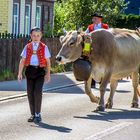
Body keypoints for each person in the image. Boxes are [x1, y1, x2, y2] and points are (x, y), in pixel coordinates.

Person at [18, 27, 51, 123]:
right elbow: (22, 60)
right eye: (34, 35)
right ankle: (32, 114)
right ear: (31, 36)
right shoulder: (27, 46)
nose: (36, 37)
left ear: (41, 36)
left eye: (38, 35)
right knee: (30, 93)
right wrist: (19, 73)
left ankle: (38, 114)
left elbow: (48, 62)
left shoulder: (44, 47)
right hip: (30, 71)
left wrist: (48, 73)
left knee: (37, 92)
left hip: (40, 71)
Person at [85, 13, 109, 88]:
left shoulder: (105, 26)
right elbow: (85, 35)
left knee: (102, 65)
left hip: (102, 49)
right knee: (92, 65)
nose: (93, 20)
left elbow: (109, 37)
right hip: (93, 49)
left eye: (95, 18)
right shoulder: (90, 27)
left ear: (99, 19)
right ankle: (92, 82)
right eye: (93, 18)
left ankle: (102, 81)